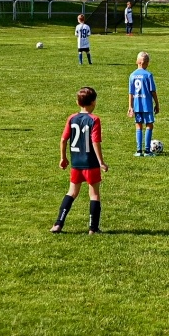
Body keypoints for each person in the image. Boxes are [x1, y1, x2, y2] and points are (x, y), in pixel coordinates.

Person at [53, 85, 107, 234]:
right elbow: (95, 142)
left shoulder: (72, 118)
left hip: (76, 163)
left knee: (71, 192)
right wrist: (101, 162)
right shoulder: (94, 120)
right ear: (94, 102)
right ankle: (93, 228)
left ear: (78, 103)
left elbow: (63, 140)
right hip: (90, 163)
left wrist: (63, 158)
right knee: (94, 194)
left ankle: (58, 224)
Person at [127, 52, 158, 156]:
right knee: (149, 125)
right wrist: (157, 104)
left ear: (137, 62)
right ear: (147, 63)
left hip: (137, 104)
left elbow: (131, 93)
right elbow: (153, 91)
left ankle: (139, 151)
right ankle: (147, 150)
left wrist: (130, 106)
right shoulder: (148, 75)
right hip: (147, 104)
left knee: (138, 126)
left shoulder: (132, 75)